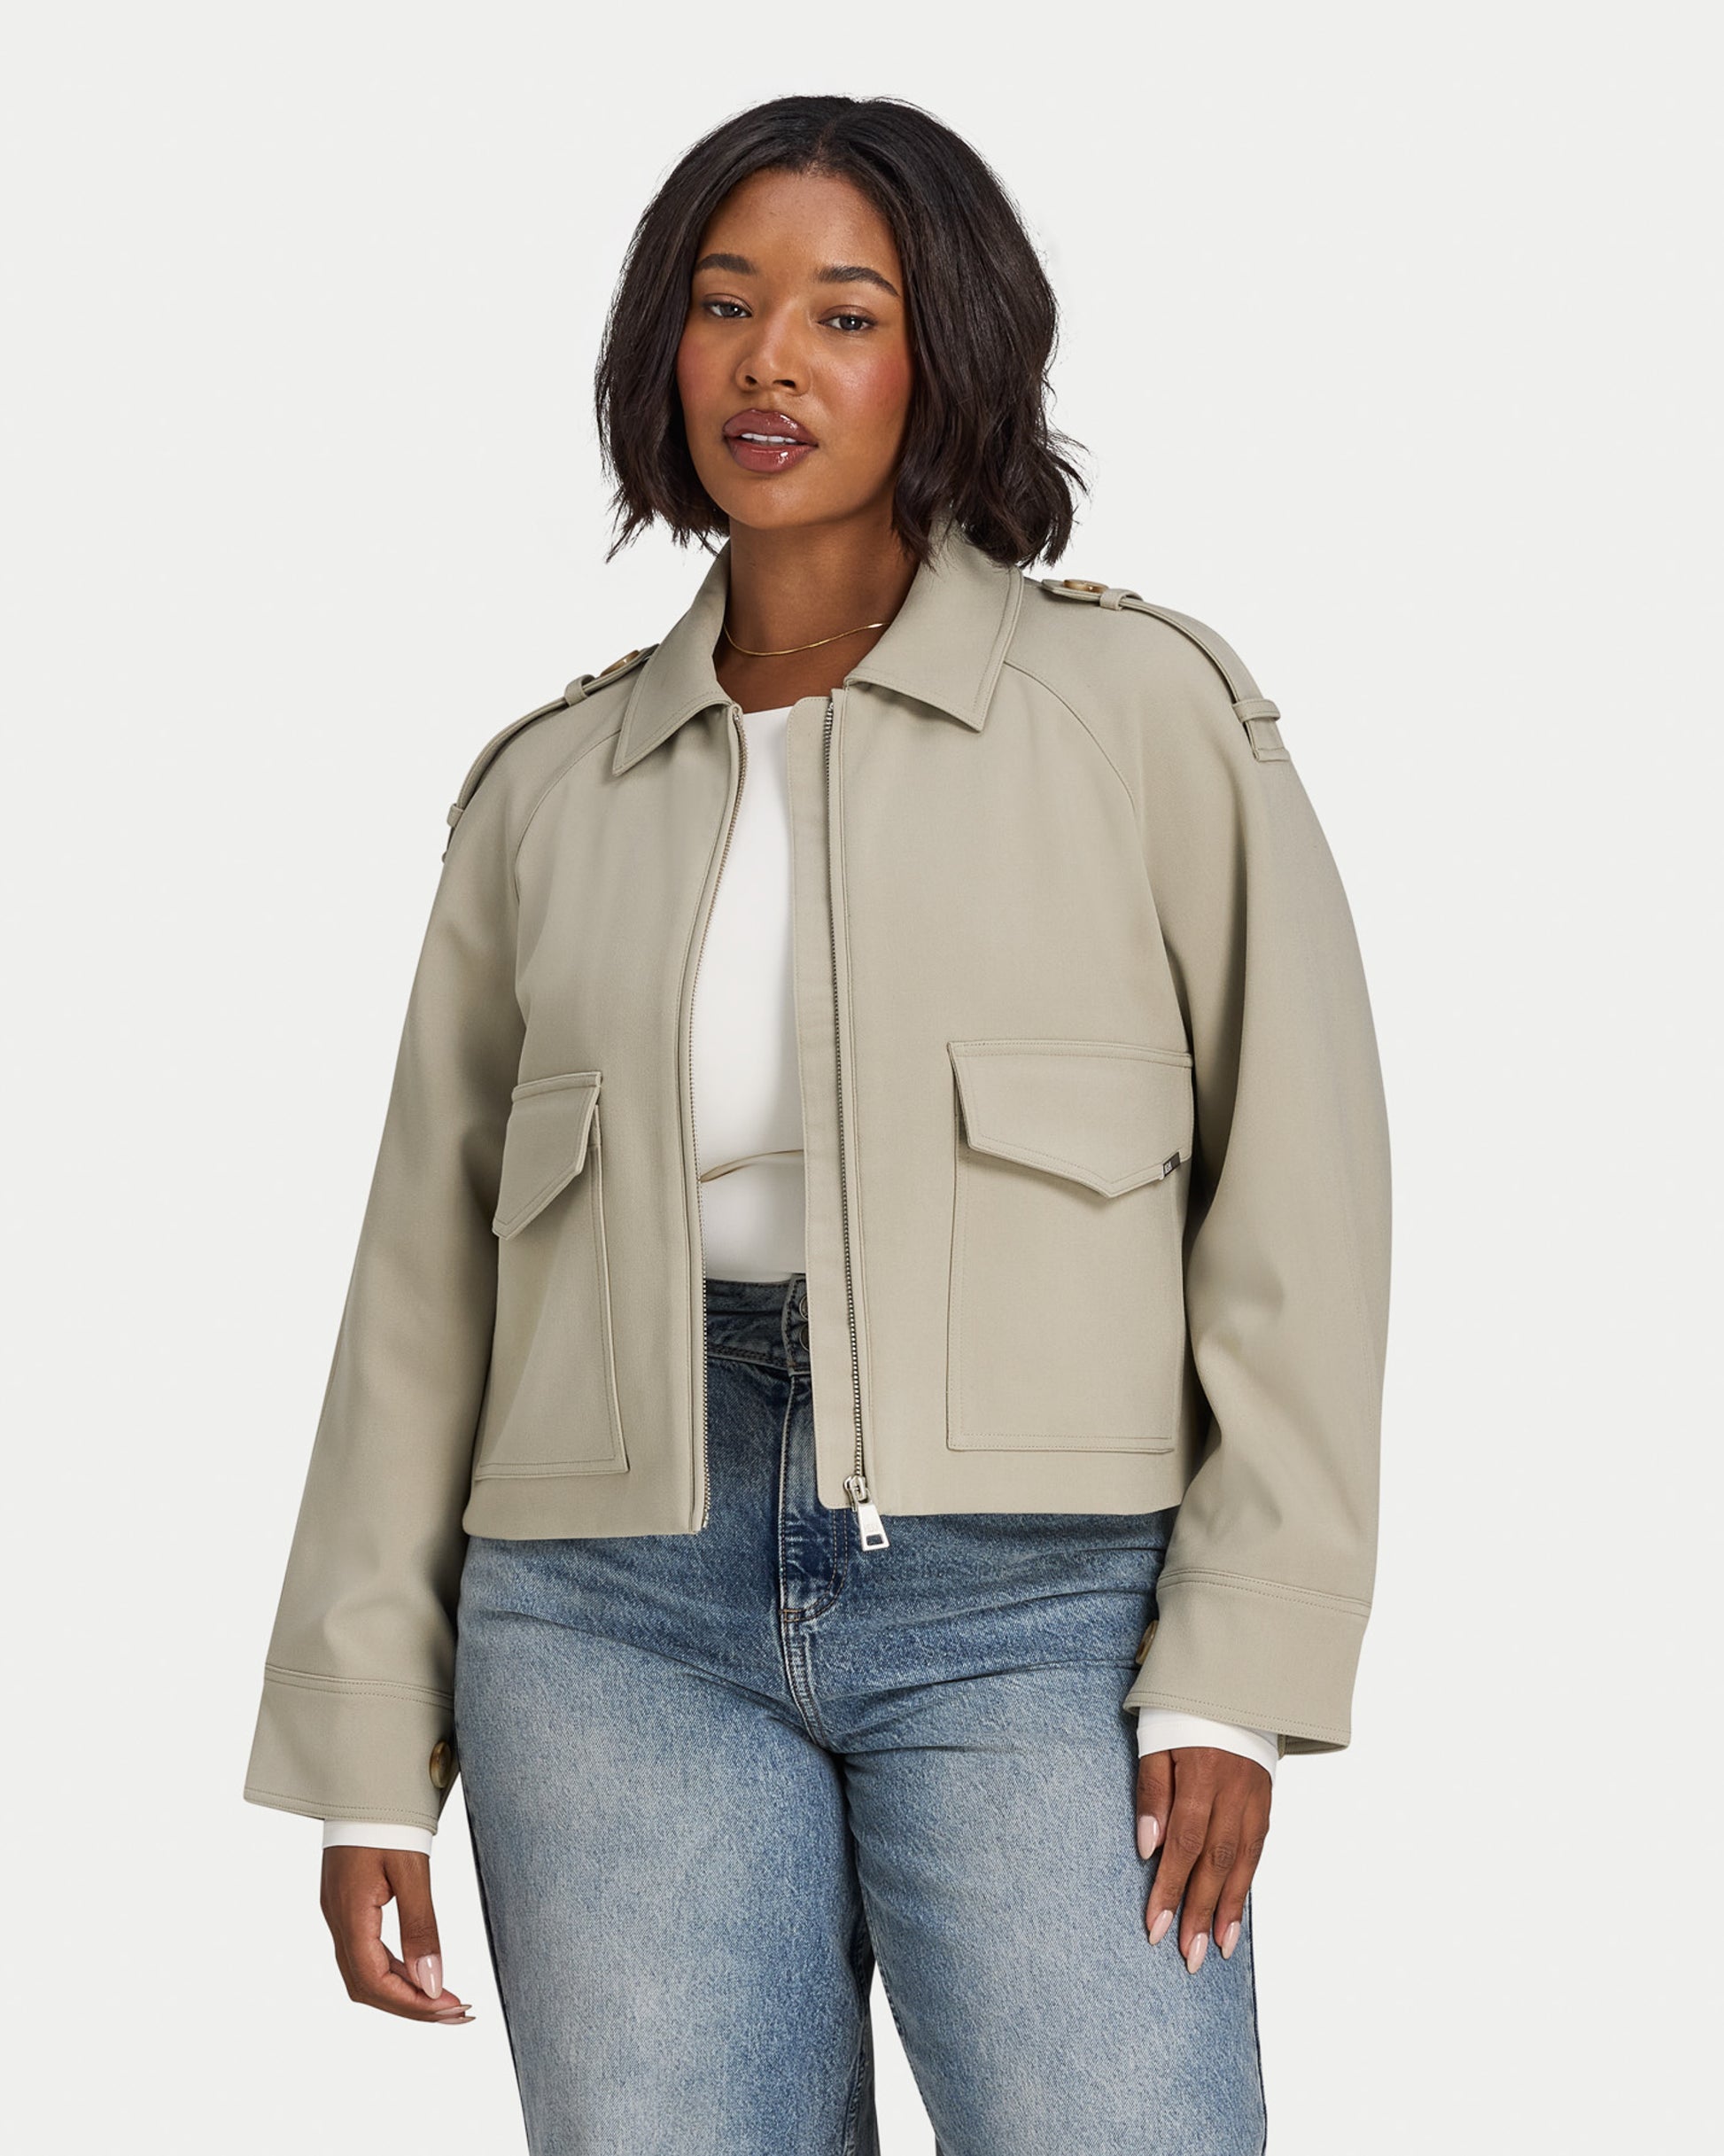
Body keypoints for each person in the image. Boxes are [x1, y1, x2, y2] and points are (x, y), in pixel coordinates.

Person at [245, 92, 1391, 2155]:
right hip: (600, 1606)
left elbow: (1299, 1199)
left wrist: (1236, 1663)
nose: (768, 362)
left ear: (948, 351)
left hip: (1044, 1600)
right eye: (724, 305)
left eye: (843, 314)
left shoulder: (1141, 716)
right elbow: (419, 1285)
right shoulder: (545, 793)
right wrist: (359, 1755)